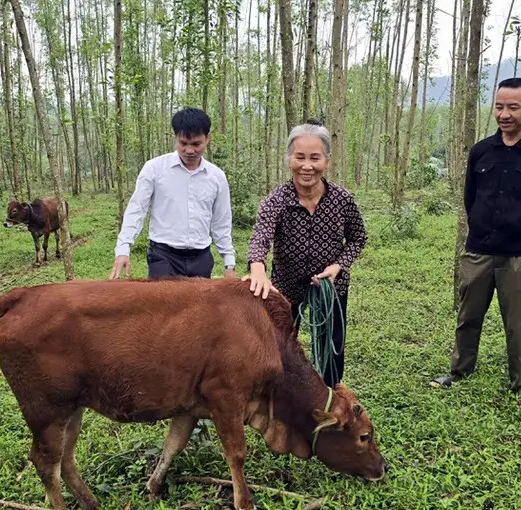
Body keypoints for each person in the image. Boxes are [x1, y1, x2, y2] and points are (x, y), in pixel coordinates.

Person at [430, 77, 521, 410]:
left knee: (520, 324)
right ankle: (459, 370)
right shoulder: (481, 151)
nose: (504, 114)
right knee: (468, 316)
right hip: (479, 251)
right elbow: (470, 198)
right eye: (499, 106)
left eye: (513, 107)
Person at [244, 119, 368, 388]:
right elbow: (261, 236)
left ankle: (331, 395)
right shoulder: (277, 200)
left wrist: (339, 266)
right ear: (289, 159)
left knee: (332, 346)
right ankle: (283, 398)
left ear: (327, 161)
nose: (307, 166)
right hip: (286, 286)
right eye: (299, 157)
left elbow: (358, 238)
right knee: (282, 345)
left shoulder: (342, 200)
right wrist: (257, 268)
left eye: (315, 157)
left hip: (331, 287)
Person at [109, 107, 236, 280]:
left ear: (207, 139)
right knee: (160, 306)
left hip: (201, 259)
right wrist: (123, 249)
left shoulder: (217, 177)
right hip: (163, 257)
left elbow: (221, 223)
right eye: (183, 143)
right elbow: (137, 209)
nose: (189, 151)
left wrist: (229, 264)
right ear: (175, 138)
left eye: (196, 144)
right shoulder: (154, 169)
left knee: (198, 307)